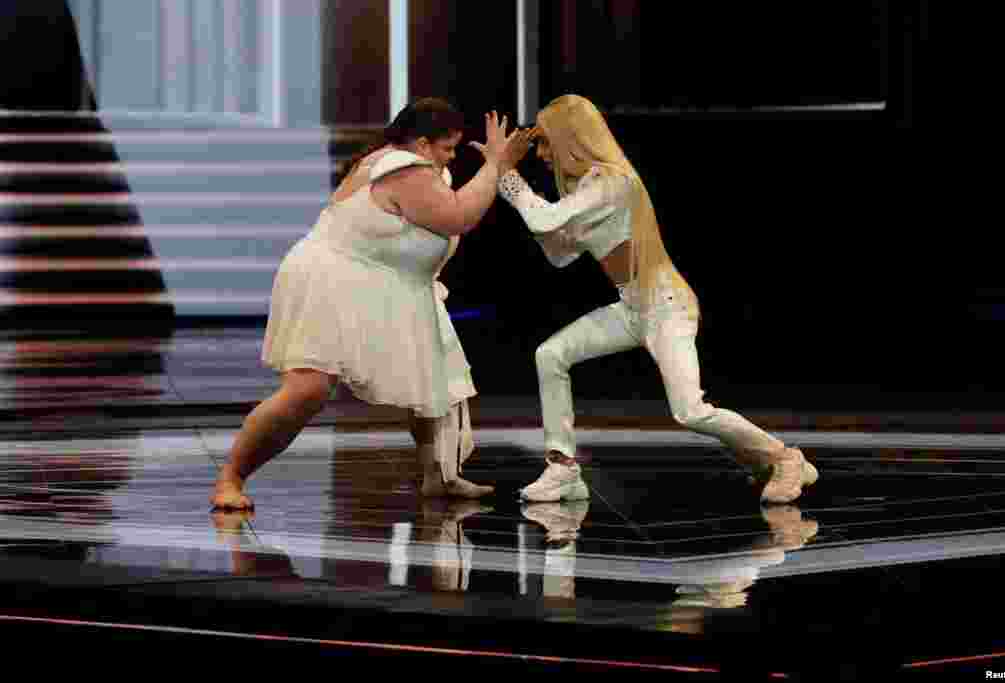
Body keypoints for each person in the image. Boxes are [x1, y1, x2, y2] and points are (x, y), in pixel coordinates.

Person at [497, 95, 817, 505]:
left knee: (690, 411)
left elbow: (543, 218)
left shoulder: (611, 181)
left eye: (544, 143)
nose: (540, 154)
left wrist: (507, 172)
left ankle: (786, 458)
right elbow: (559, 254)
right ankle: (562, 470)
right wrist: (528, 199)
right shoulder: (589, 189)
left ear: (568, 138)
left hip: (666, 305)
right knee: (550, 355)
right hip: (632, 308)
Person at [210, 98, 521, 509]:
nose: (451, 157)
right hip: (332, 279)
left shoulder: (418, 167)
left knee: (433, 380)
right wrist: (495, 166)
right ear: (423, 143)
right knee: (307, 390)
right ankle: (230, 479)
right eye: (447, 148)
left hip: (388, 284)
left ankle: (439, 477)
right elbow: (458, 216)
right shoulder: (403, 168)